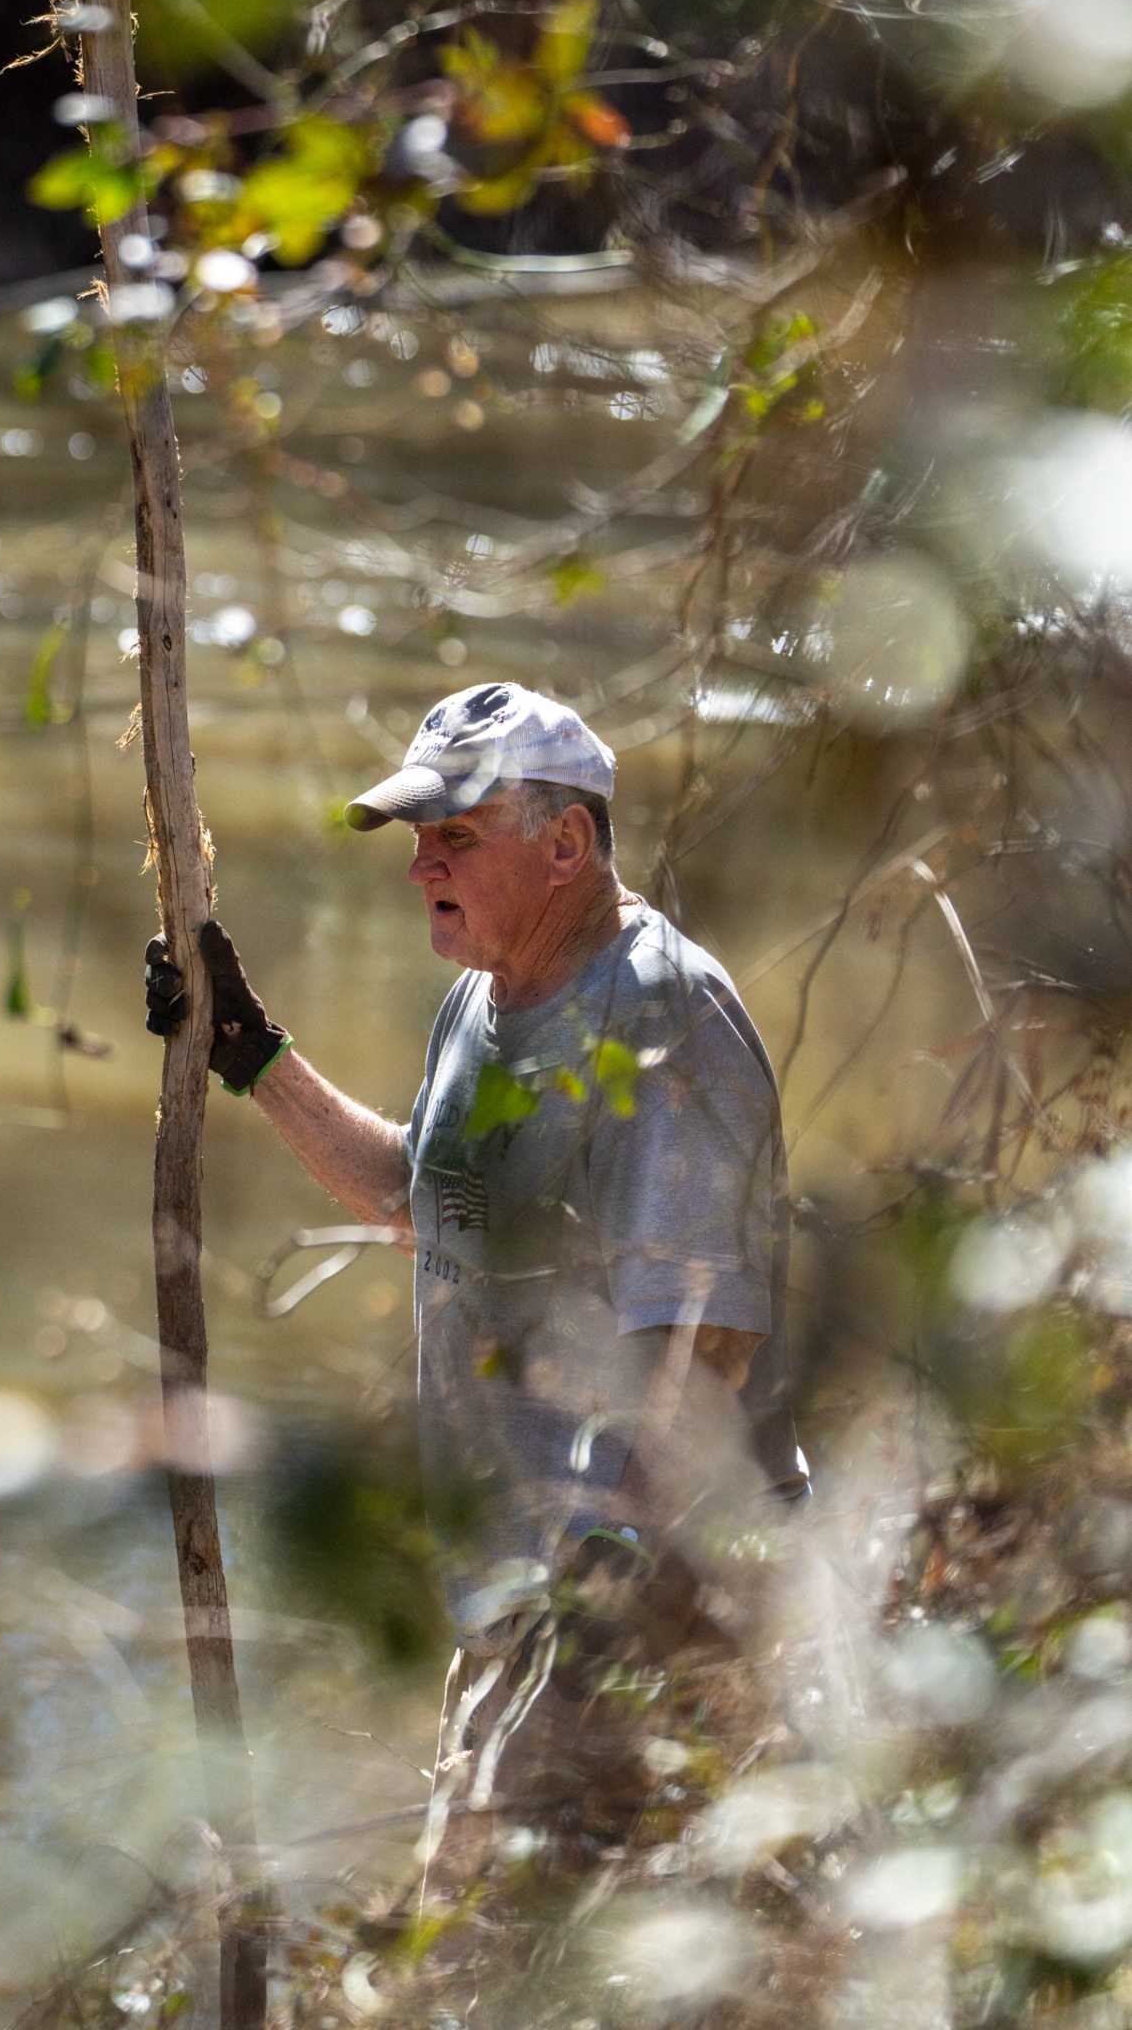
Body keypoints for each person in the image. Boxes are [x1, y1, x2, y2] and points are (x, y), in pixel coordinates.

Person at [145, 681, 804, 1877]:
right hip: (517, 1607)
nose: (419, 868)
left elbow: (705, 1348)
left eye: (454, 834)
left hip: (638, 1622)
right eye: (415, 839)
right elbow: (428, 1200)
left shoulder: (664, 1020)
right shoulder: (483, 998)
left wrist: (596, 1614)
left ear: (566, 844)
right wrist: (249, 1052)